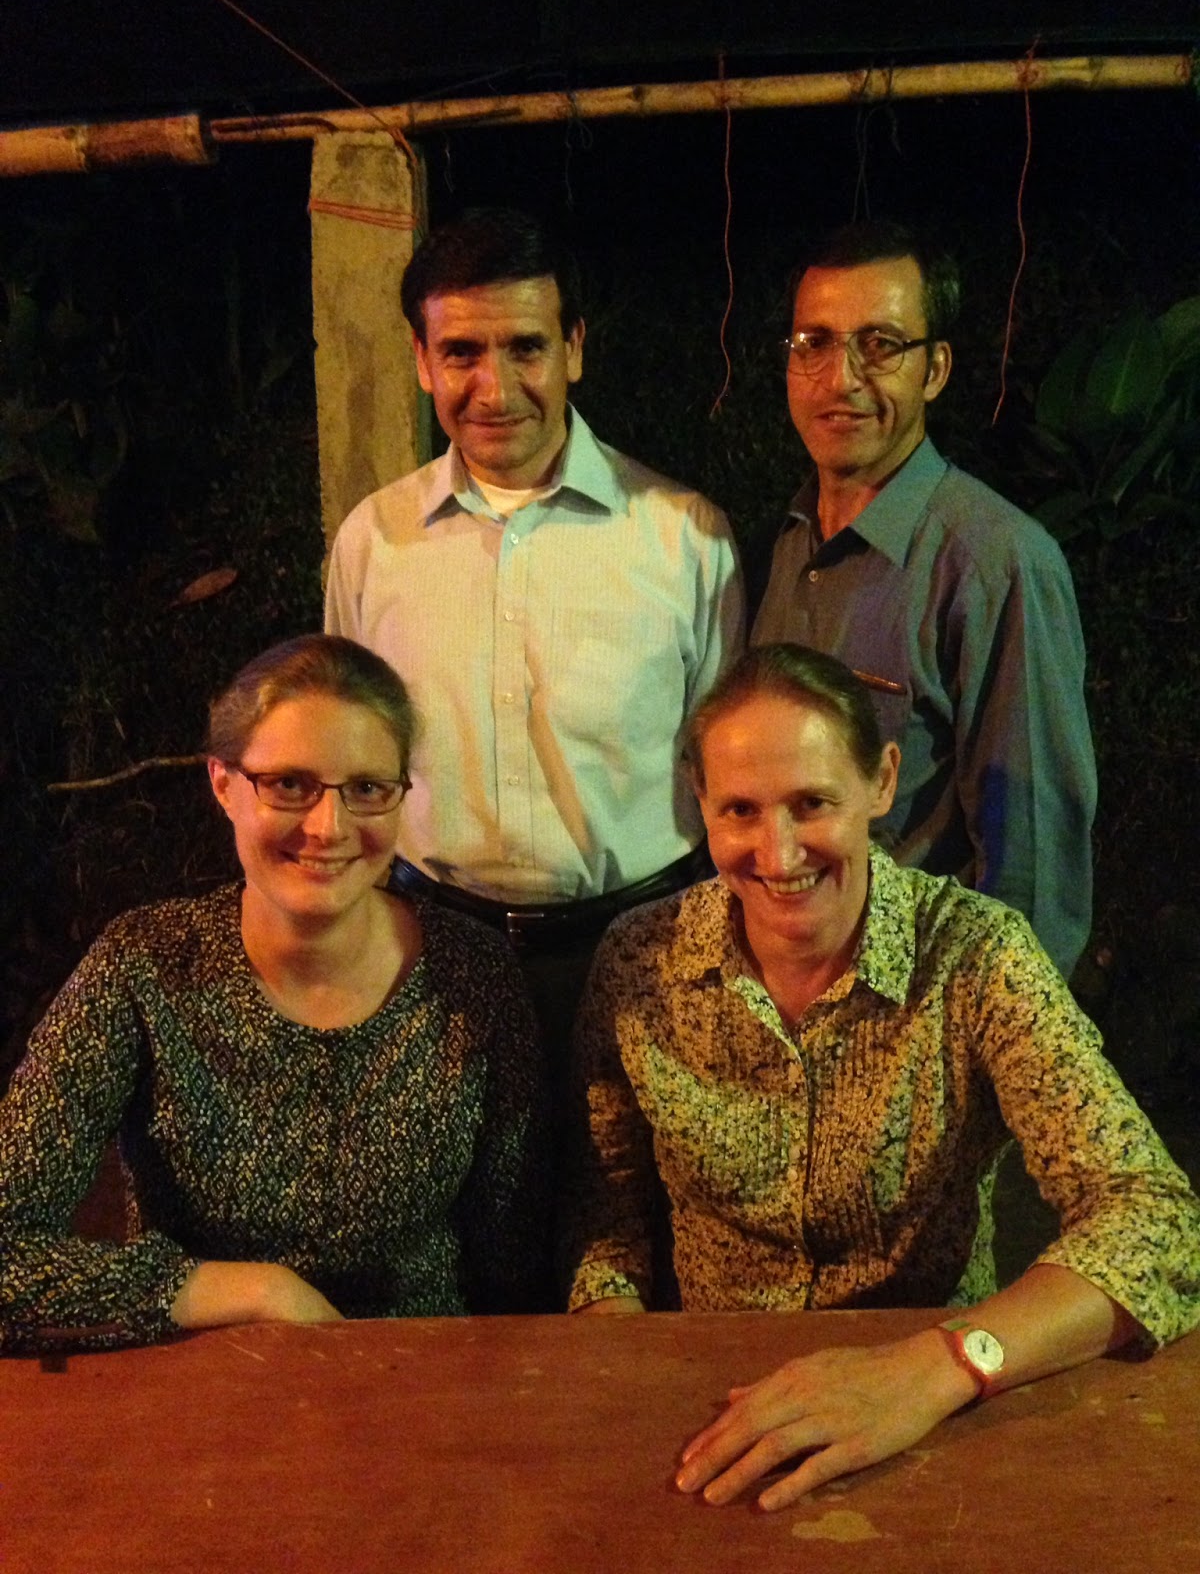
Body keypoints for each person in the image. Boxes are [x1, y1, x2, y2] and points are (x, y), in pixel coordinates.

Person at [564, 644, 1200, 1509]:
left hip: (930, 1408)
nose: (777, 851)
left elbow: (1155, 1218)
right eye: (740, 810)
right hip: (708, 1410)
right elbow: (606, 1203)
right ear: (700, 806)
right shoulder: (641, 958)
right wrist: (616, 1345)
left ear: (881, 782)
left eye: (812, 803)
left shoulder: (975, 955)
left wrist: (937, 1366)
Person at [0, 635, 548, 1353]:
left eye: (367, 789)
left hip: (422, 1378)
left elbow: (517, 1267)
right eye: (290, 784)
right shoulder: (144, 967)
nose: (328, 827)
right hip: (208, 1383)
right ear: (223, 784)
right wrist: (252, 1291)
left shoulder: (472, 973)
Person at [324, 207, 744, 1052]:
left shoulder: (687, 540)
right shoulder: (372, 543)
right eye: (461, 353)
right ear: (421, 360)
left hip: (645, 958)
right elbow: (349, 760)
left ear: (574, 348)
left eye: (525, 347)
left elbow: (730, 773)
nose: (495, 388)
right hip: (430, 955)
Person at [752, 221, 1095, 978]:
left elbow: (1033, 866)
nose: (840, 379)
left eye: (879, 345)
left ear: (934, 369)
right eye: (814, 343)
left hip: (915, 1004)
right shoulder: (787, 541)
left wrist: (995, 1028)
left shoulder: (995, 562)